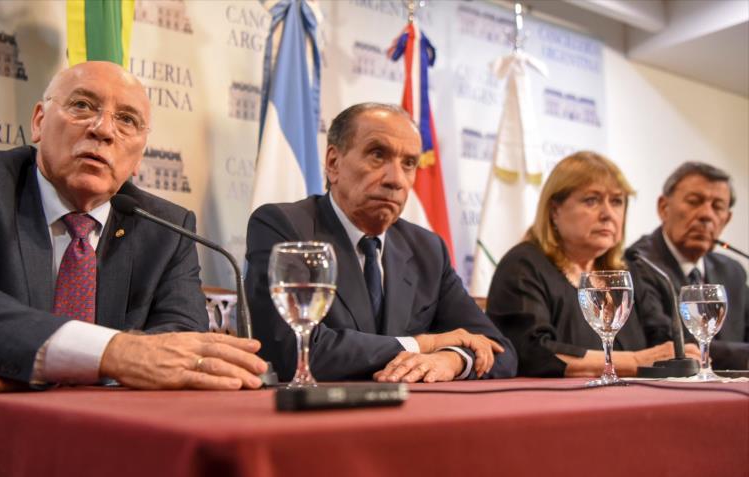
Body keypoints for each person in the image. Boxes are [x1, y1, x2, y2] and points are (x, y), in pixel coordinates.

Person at [0, 61, 267, 477]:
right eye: (82, 106)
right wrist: (114, 353)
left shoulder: (165, 227)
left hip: (91, 463)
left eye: (127, 120)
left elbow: (178, 345)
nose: (103, 130)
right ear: (39, 122)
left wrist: (31, 375)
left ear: (139, 154)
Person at [245, 102, 517, 382]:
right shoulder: (285, 227)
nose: (396, 180)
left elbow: (501, 350)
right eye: (378, 155)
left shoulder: (427, 249)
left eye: (409, 163)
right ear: (333, 163)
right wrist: (423, 345)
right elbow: (295, 352)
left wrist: (453, 359)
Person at [486, 151, 700, 377]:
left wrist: (681, 352)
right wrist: (636, 360)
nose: (608, 214)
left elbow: (661, 337)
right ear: (554, 210)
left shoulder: (628, 270)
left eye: (617, 201)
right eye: (592, 200)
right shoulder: (523, 265)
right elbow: (533, 353)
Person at [629, 162, 749, 370]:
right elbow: (667, 341)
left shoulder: (732, 271)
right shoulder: (638, 262)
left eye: (717, 206)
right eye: (694, 202)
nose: (706, 215)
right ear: (664, 208)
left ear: (726, 220)